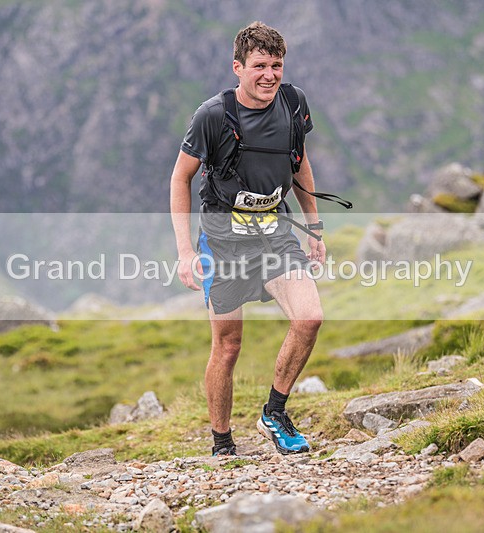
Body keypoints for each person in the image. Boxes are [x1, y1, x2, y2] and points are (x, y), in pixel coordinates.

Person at [170, 21, 326, 456]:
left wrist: (314, 229)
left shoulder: (294, 104)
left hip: (276, 233)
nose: (269, 75)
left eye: (276, 65)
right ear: (237, 67)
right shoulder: (213, 116)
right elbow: (180, 178)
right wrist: (185, 252)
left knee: (309, 317)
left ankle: (274, 412)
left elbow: (300, 165)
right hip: (223, 241)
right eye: (259, 65)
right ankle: (222, 443)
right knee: (228, 345)